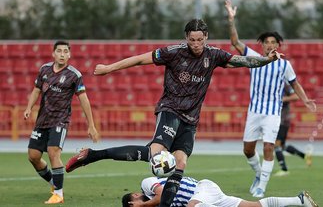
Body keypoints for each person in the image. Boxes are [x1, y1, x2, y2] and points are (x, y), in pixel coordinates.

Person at [65, 19, 283, 207]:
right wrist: (110, 68)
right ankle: (91, 155)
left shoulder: (214, 55)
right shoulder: (173, 52)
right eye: (192, 39)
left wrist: (267, 59)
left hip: (191, 119)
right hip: (170, 110)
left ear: (206, 37)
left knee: (180, 165)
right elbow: (141, 58)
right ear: (186, 37)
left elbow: (243, 61)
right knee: (156, 154)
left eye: (200, 39)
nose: (196, 44)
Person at [225, 0, 317, 198]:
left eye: (273, 42)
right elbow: (235, 42)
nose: (269, 45)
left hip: (273, 113)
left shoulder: (285, 65)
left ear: (278, 45)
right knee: (248, 150)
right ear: (262, 45)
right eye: (266, 42)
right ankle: (258, 174)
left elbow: (295, 84)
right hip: (254, 112)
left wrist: (306, 100)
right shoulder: (253, 56)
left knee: (269, 146)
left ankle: (262, 186)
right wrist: (231, 20)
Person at [24, 40, 99, 204]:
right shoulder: (44, 69)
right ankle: (54, 183)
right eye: (59, 51)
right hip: (42, 120)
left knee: (53, 152)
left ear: (70, 55)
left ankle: (58, 194)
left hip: (60, 120)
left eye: (66, 51)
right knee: (33, 156)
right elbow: (36, 89)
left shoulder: (74, 75)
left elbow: (84, 100)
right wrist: (29, 108)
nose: (62, 54)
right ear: (53, 53)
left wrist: (91, 125)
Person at [122, 176, 319, 207]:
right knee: (253, 206)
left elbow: (163, 193)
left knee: (192, 206)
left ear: (135, 196)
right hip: (207, 198)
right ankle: (299, 200)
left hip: (202, 189)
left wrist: (144, 204)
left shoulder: (147, 183)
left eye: (136, 203)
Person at [274, 84, 312, 177]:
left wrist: (282, 99)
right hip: (275, 120)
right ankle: (304, 156)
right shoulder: (272, 84)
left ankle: (284, 169)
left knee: (276, 144)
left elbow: (295, 96)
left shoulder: (284, 85)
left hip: (283, 120)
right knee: (282, 146)